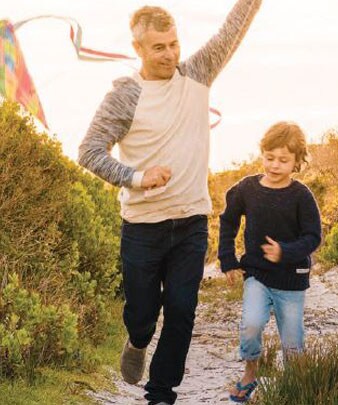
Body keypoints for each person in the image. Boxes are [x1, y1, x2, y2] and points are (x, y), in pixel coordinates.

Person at [77, 2, 262, 404]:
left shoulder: (196, 75)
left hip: (191, 221)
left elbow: (231, 30)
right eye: (158, 47)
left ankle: (161, 393)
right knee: (142, 314)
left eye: (174, 44)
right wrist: (138, 178)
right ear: (138, 48)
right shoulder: (125, 98)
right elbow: (89, 151)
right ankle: (138, 340)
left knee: (182, 310)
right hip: (143, 226)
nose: (169, 54)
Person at [218, 122, 322, 403]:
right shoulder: (247, 189)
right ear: (262, 154)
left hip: (291, 278)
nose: (275, 165)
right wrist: (227, 259)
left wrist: (285, 251)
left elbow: (313, 236)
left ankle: (297, 387)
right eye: (269, 157)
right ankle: (250, 371)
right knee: (251, 324)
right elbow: (228, 221)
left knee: (292, 342)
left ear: (297, 161)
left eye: (283, 160)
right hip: (257, 274)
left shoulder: (301, 196)